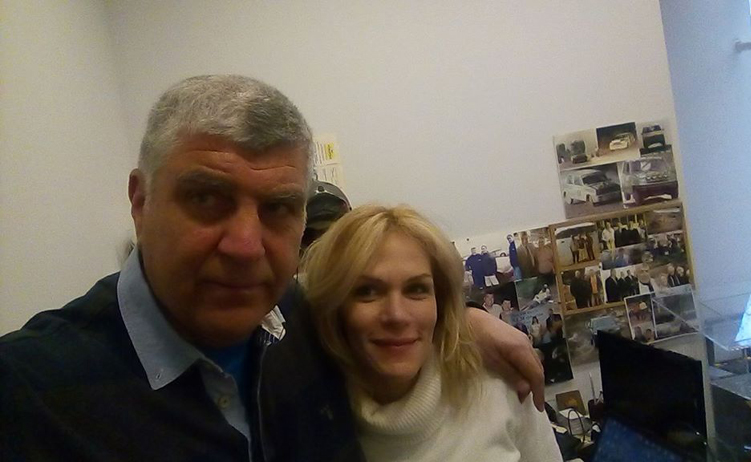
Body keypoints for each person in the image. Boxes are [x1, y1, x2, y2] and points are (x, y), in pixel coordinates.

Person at [0, 75, 545, 461]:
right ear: (140, 203)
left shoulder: (301, 320)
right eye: (206, 198)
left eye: (279, 208)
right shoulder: (28, 395)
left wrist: (465, 318)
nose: (245, 247)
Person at [298, 205, 561, 462]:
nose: (397, 315)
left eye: (416, 289)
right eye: (367, 291)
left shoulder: (500, 382)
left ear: (440, 301)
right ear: (336, 306)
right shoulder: (310, 422)